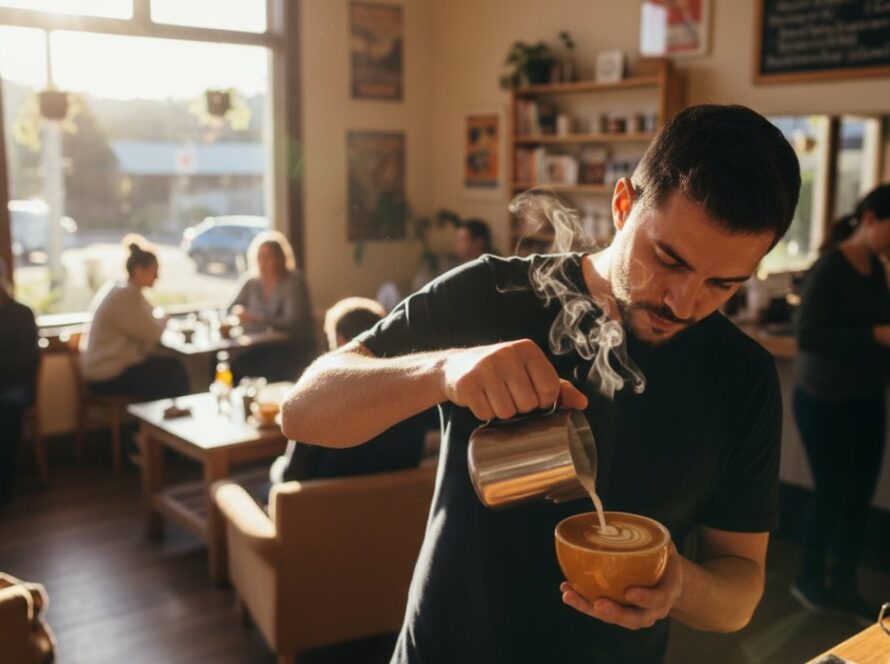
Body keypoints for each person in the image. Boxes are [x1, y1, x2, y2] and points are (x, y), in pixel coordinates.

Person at [281, 104, 801, 663]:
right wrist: (444, 371)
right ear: (623, 205)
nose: (682, 303)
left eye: (722, 285)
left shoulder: (742, 377)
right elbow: (304, 411)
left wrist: (679, 585)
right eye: (667, 259)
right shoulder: (492, 293)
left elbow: (741, 588)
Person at [791, 183, 890, 620]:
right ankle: (809, 580)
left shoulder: (877, 269)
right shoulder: (830, 268)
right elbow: (807, 335)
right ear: (870, 220)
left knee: (858, 496)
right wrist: (873, 335)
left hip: (866, 396)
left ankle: (845, 585)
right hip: (824, 398)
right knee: (832, 494)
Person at [268, 297, 429, 491]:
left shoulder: (318, 397)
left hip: (322, 513)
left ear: (341, 341)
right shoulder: (415, 391)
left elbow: (291, 475)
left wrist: (276, 468)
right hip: (396, 512)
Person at [82, 238, 189, 401]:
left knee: (168, 368)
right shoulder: (125, 295)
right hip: (105, 373)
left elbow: (150, 322)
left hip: (112, 368)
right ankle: (171, 418)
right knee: (171, 371)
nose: (157, 277)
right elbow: (153, 332)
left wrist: (159, 319)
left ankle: (170, 417)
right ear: (139, 270)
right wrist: (162, 319)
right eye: (154, 271)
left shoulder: (128, 292)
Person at [229, 230, 315, 383]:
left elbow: (293, 323)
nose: (263, 262)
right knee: (230, 367)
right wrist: (238, 314)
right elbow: (231, 308)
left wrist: (256, 318)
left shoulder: (293, 282)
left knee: (270, 368)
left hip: (290, 347)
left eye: (268, 257)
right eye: (259, 257)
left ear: (280, 258)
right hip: (259, 346)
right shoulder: (251, 282)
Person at [0, 258, 39, 504]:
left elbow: (27, 361)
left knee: (7, 406)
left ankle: (3, 484)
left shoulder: (21, 314)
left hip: (16, 384)